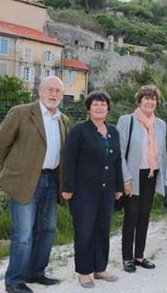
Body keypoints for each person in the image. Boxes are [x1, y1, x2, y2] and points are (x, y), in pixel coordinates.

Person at [0, 76, 68, 293]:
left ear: (62, 96)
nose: (54, 94)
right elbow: (1, 146)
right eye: (50, 89)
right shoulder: (21, 112)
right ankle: (14, 280)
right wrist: (15, 171)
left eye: (58, 91)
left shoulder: (63, 120)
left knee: (48, 229)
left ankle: (36, 272)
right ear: (40, 91)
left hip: (51, 180)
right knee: (24, 234)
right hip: (25, 181)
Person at [62, 91, 124, 288]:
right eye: (96, 104)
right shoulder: (80, 130)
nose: (99, 107)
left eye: (103, 104)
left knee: (103, 229)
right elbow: (69, 159)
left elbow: (117, 162)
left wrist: (119, 186)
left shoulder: (113, 131)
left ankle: (100, 268)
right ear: (89, 108)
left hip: (107, 190)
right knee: (85, 230)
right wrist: (68, 187)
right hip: (83, 191)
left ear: (108, 108)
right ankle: (84, 271)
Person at [116, 85, 167, 273]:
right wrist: (126, 179)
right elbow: (120, 153)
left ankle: (139, 255)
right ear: (139, 101)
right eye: (146, 98)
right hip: (133, 175)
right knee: (131, 217)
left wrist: (159, 179)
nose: (150, 101)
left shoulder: (161, 124)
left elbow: (162, 154)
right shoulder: (126, 121)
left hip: (150, 175)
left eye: (153, 98)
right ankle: (127, 257)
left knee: (145, 216)